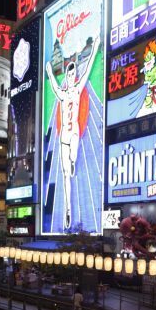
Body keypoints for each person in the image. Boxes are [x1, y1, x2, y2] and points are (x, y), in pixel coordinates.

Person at [46, 34, 100, 230]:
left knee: (72, 159)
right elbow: (53, 85)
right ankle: (68, 210)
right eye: (68, 75)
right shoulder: (62, 94)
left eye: (71, 74)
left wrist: (94, 49)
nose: (70, 77)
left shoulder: (77, 89)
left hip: (75, 132)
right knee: (65, 174)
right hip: (64, 138)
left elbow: (86, 70)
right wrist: (50, 72)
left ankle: (72, 160)